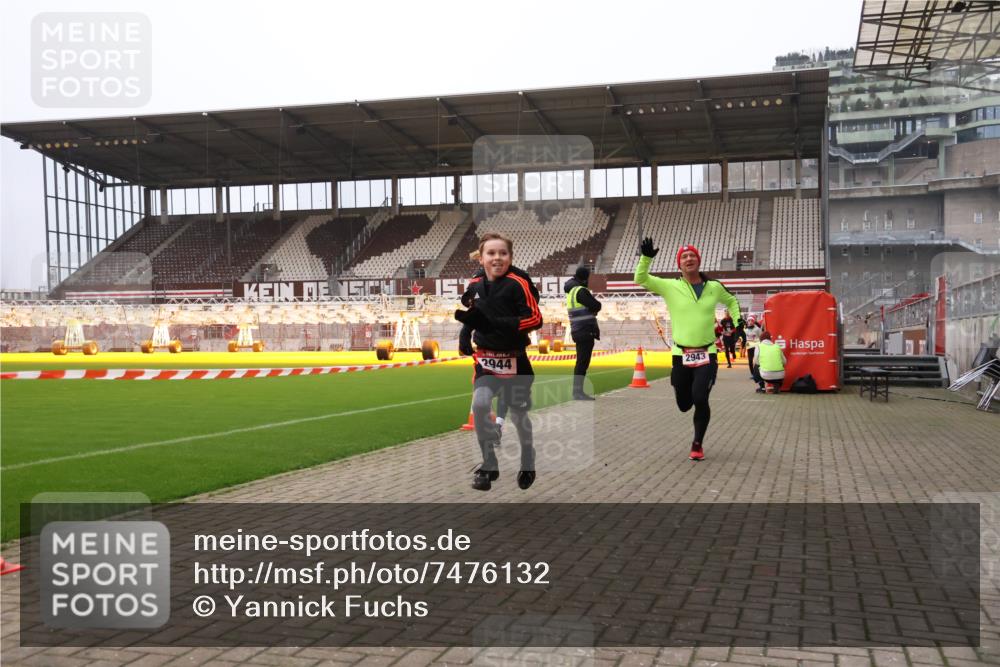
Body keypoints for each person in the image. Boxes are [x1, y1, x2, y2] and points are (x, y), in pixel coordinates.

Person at [634, 239, 742, 461]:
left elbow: (732, 301)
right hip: (680, 354)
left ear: (699, 261)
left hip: (707, 353)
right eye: (684, 257)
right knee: (684, 404)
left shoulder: (714, 287)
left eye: (692, 255)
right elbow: (640, 278)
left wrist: (738, 321)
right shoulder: (670, 286)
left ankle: (697, 443)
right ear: (679, 264)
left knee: (700, 397)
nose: (689, 259)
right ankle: (679, 388)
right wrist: (646, 258)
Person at [455, 233, 543, 491]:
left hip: (516, 360)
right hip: (486, 360)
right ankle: (488, 464)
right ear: (481, 258)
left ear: (510, 257)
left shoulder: (518, 283)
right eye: (491, 253)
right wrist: (464, 333)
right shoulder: (474, 283)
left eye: (502, 253)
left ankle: (528, 457)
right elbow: (473, 312)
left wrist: (499, 324)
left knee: (519, 416)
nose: (497, 258)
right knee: (480, 405)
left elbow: (535, 319)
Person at [459, 254, 540, 433]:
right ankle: (495, 423)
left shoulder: (517, 279)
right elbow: (473, 308)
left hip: (507, 344)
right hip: (495, 345)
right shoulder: (481, 279)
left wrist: (465, 334)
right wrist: (465, 333)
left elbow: (532, 310)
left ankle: (497, 421)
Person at [564, 265, 602, 401]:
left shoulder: (572, 292)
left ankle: (577, 392)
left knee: (581, 361)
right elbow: (597, 305)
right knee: (582, 362)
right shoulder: (581, 291)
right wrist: (593, 310)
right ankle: (577, 392)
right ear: (585, 278)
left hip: (577, 330)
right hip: (585, 330)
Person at [743, 315, 765, 391]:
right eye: (749, 321)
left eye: (751, 321)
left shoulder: (757, 329)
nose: (750, 322)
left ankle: (758, 373)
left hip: (756, 346)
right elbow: (744, 338)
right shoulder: (745, 330)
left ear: (754, 321)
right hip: (749, 346)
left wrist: (760, 345)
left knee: (756, 360)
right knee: (749, 360)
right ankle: (752, 374)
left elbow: (761, 336)